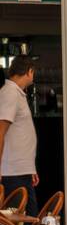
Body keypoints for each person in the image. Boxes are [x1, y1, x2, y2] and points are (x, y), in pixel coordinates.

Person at [0, 56, 39, 210]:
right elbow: (1, 131)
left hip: (20, 171)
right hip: (12, 173)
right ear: (29, 71)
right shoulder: (10, 93)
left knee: (28, 221)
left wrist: (30, 168)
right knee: (22, 224)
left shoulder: (16, 93)